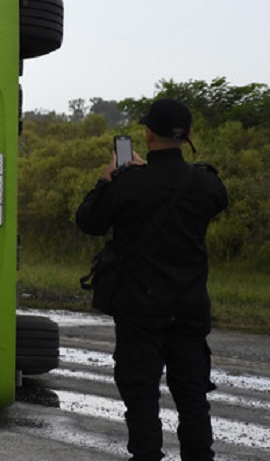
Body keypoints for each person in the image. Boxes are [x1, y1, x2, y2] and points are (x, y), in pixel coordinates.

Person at [75, 98, 228, 461]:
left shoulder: (128, 184)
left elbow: (89, 221)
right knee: (192, 396)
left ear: (148, 134)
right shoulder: (206, 184)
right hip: (189, 308)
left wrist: (108, 178)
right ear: (188, 134)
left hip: (139, 308)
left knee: (141, 395)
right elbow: (217, 200)